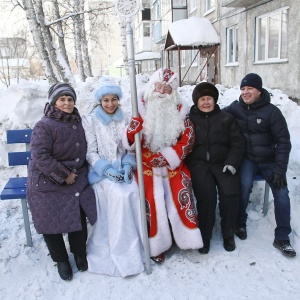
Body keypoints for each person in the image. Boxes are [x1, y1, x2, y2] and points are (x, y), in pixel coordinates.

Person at [123, 68, 203, 264]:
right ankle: (155, 245)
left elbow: (188, 140)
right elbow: (129, 143)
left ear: (172, 92)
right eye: (158, 86)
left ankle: (186, 237)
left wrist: (169, 157)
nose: (161, 91)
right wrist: (131, 133)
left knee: (180, 189)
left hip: (172, 163)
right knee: (150, 197)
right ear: (151, 87)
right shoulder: (139, 109)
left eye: (166, 88)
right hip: (146, 163)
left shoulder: (181, 111)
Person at [27, 83, 97, 281]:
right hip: (47, 178)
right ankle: (61, 259)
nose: (66, 103)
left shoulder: (78, 121)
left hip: (75, 175)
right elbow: (39, 155)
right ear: (54, 102)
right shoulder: (45, 125)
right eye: (62, 99)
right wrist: (63, 174)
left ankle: (79, 252)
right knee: (48, 215)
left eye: (70, 99)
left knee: (78, 206)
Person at [224, 73, 296, 257]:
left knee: (282, 192)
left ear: (259, 90)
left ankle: (282, 237)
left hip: (269, 161)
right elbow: (216, 114)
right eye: (243, 89)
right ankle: (240, 222)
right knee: (244, 184)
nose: (245, 92)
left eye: (250, 88)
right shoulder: (236, 107)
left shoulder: (272, 112)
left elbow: (283, 142)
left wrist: (280, 170)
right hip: (247, 159)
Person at [82, 77, 144, 277]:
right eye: (106, 100)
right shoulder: (91, 120)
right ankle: (119, 248)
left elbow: (130, 148)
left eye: (114, 99)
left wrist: (127, 165)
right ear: (100, 101)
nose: (110, 104)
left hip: (123, 168)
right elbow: (90, 152)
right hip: (102, 173)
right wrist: (107, 170)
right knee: (119, 195)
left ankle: (138, 247)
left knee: (134, 191)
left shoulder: (125, 118)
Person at [185, 82, 245, 254]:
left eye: (209, 98)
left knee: (229, 195)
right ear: (196, 102)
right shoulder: (189, 120)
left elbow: (238, 143)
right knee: (207, 197)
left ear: (215, 100)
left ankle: (228, 234)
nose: (206, 102)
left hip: (223, 163)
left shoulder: (226, 118)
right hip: (199, 165)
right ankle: (205, 237)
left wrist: (232, 163)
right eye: (202, 99)